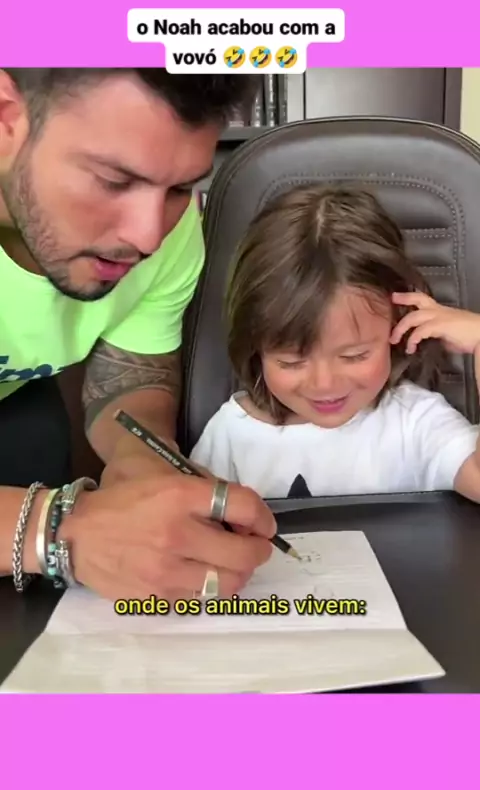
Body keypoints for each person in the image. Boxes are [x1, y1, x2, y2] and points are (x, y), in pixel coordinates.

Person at [0, 68, 276, 602]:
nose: (148, 236)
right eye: (114, 181)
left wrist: (142, 460)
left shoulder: (170, 233)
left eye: (180, 188)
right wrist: (60, 531)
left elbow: (131, 380)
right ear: (6, 117)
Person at [190, 185, 480, 502]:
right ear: (255, 347)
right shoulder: (232, 435)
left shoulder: (417, 423)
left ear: (398, 322)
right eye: (291, 362)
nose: (324, 384)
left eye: (355, 356)